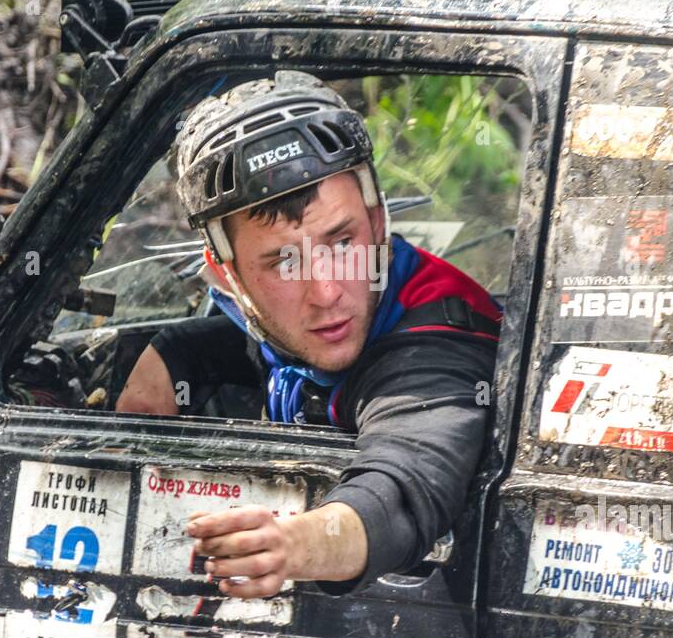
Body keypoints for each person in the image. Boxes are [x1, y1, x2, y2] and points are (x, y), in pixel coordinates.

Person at [117, 71, 502, 598]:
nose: (325, 293)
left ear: (378, 223)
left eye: (342, 243)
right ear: (226, 272)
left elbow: (405, 487)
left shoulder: (440, 337)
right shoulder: (266, 314)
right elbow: (264, 347)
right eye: (281, 263)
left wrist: (295, 544)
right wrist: (176, 356)